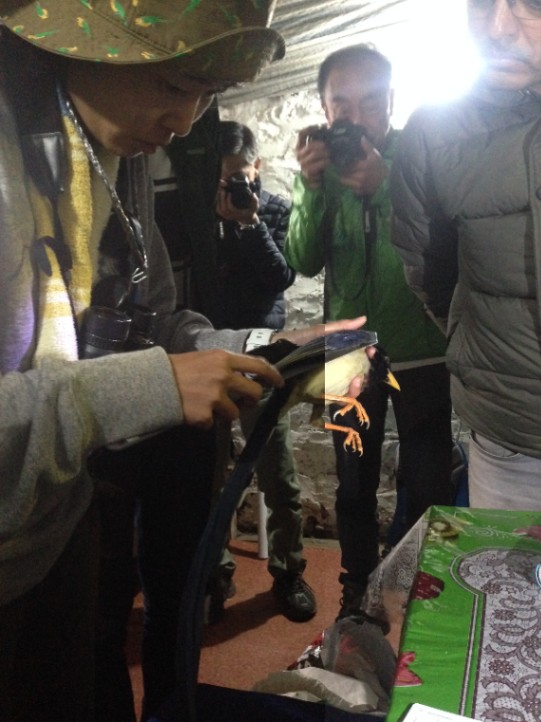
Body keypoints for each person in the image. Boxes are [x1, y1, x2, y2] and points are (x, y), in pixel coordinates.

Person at [0, 2, 369, 720]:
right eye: (174, 85)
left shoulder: (118, 144)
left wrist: (254, 351)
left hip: (56, 530)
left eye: (208, 93)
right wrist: (148, 386)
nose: (186, 120)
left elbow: (154, 320)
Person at [285, 44, 454, 620]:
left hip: (422, 347)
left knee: (427, 480)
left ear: (392, 101)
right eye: (342, 104)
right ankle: (357, 593)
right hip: (347, 352)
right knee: (353, 482)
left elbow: (443, 243)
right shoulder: (322, 169)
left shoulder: (419, 155)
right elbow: (302, 259)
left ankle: (420, 590)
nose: (355, 116)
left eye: (371, 102)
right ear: (324, 107)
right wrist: (309, 188)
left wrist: (385, 184)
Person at [390, 0, 541, 510]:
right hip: (508, 443)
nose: (497, 28)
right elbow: (429, 270)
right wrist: (487, 356)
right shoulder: (436, 133)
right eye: (480, 3)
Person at [210, 120, 316, 624]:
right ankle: (215, 571)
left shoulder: (274, 209)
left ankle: (289, 571)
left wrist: (249, 224)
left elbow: (281, 277)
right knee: (207, 475)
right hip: (209, 352)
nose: (231, 186)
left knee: (278, 474)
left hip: (259, 354)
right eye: (222, 178)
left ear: (257, 166)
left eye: (239, 175)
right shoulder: (201, 211)